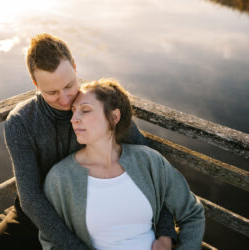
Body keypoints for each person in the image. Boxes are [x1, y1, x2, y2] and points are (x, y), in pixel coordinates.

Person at [0, 33, 177, 250]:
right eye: (52, 92)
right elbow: (31, 199)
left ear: (74, 67)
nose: (65, 99)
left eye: (69, 85)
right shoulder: (20, 122)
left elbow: (155, 173)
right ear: (35, 83)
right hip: (38, 217)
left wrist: (166, 232)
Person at [39, 79, 205, 250]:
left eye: (85, 110)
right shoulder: (60, 178)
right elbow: (50, 242)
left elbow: (192, 213)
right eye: (73, 111)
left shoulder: (149, 161)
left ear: (114, 117)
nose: (74, 119)